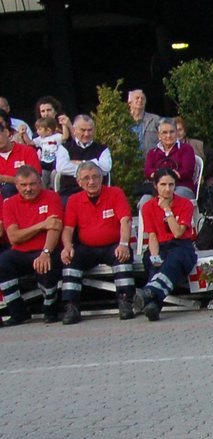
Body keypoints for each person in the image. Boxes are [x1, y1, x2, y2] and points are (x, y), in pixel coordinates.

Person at [59, 161, 135, 322]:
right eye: (86, 178)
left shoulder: (115, 193)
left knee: (123, 256)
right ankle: (71, 306)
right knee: (70, 258)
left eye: (95, 177)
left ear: (102, 178)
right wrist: (67, 246)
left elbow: (125, 220)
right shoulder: (74, 200)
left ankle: (126, 301)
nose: (91, 182)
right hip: (87, 248)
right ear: (79, 182)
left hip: (113, 245)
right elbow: (68, 229)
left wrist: (123, 243)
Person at [0, 165, 64, 325]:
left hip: (46, 250)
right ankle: (18, 312)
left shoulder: (52, 197)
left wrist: (46, 252)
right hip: (20, 252)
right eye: (23, 185)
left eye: (32, 184)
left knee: (46, 264)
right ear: (16, 186)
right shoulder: (9, 204)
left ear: (40, 182)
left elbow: (54, 228)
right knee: (3, 262)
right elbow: (14, 237)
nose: (28, 188)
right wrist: (41, 225)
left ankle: (50, 308)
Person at [134, 169, 199, 322]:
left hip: (181, 245)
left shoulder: (185, 204)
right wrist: (155, 257)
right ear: (156, 186)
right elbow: (152, 235)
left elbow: (178, 233)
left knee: (174, 260)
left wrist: (167, 210)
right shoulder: (148, 207)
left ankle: (149, 292)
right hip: (160, 244)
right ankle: (153, 304)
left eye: (171, 184)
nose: (167, 189)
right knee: (153, 262)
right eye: (163, 184)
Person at [58, 115, 113, 200]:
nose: (86, 134)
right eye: (83, 130)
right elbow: (61, 167)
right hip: (70, 193)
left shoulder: (102, 149)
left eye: (90, 130)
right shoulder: (65, 147)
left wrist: (81, 163)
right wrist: (95, 165)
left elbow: (105, 168)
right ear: (74, 130)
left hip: (97, 193)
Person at [144, 119, 199, 199]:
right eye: (165, 132)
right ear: (159, 135)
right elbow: (147, 171)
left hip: (181, 186)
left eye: (172, 132)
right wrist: (160, 177)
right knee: (144, 201)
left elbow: (188, 171)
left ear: (176, 133)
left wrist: (167, 175)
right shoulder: (153, 152)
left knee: (172, 197)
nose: (169, 135)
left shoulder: (186, 149)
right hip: (158, 189)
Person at [0, 114, 41, 195]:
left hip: (24, 195)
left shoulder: (27, 151)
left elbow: (35, 179)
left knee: (9, 188)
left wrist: (5, 179)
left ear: (6, 132)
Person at [127, 88, 162, 155]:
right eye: (137, 98)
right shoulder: (123, 121)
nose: (140, 100)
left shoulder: (155, 120)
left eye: (142, 98)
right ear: (130, 103)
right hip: (129, 163)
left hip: (150, 162)